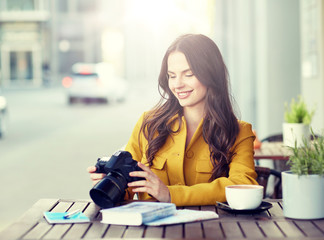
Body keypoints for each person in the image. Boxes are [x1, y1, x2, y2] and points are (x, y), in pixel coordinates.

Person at [87, 34, 258, 206]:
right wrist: (111, 185)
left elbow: (243, 185)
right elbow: (128, 191)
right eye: (172, 75)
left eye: (188, 74)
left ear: (211, 74)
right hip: (153, 231)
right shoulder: (148, 123)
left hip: (212, 230)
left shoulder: (239, 132)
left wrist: (170, 194)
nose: (177, 85)